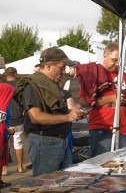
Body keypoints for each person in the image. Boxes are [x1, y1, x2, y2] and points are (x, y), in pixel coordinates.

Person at [14, 47, 85, 177]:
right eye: (61, 68)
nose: (64, 72)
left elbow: (53, 111)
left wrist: (73, 112)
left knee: (65, 184)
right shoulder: (33, 85)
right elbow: (36, 117)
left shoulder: (52, 84)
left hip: (60, 140)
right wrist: (67, 117)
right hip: (45, 142)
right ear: (48, 66)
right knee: (45, 185)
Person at [78, 43, 126, 157]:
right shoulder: (94, 74)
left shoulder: (124, 76)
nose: (117, 63)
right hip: (101, 129)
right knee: (101, 166)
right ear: (105, 55)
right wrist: (112, 98)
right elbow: (84, 101)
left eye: (119, 61)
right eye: (114, 60)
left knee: (124, 165)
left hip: (122, 129)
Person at [4, 67, 25, 173]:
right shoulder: (20, 86)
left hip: (5, 119)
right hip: (18, 118)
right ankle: (20, 167)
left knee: (4, 144)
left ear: (5, 75)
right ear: (16, 74)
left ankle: (4, 169)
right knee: (19, 143)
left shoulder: (2, 86)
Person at [0, 83, 15, 188]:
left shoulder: (5, 104)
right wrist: (8, 130)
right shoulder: (2, 106)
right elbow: (1, 123)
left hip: (3, 137)